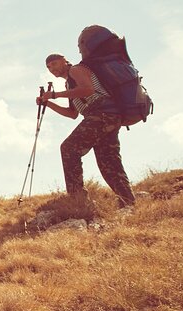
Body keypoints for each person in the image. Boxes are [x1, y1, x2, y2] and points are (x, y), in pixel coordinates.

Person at [38, 52, 136, 207]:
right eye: (48, 67)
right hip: (107, 117)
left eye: (54, 64)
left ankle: (78, 198)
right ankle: (128, 202)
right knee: (109, 162)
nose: (51, 68)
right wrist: (48, 103)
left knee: (69, 148)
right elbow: (72, 114)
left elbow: (88, 89)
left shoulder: (76, 70)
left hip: (101, 114)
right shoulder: (68, 85)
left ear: (64, 60)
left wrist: (56, 95)